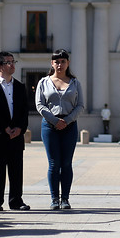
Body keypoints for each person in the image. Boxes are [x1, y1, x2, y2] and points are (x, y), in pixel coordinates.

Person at [36, 49, 83, 210]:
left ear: (68, 63)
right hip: (49, 126)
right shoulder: (44, 82)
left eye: (63, 61)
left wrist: (68, 120)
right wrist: (55, 121)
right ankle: (54, 198)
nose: (59, 64)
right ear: (52, 63)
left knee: (67, 163)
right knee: (54, 164)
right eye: (56, 61)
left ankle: (65, 199)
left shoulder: (75, 83)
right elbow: (40, 104)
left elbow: (80, 105)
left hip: (70, 126)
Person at [0, 51, 30, 211]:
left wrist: (20, 128)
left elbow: (24, 110)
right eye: (8, 62)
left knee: (16, 170)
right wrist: (5, 128)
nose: (12, 65)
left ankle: (16, 200)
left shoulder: (19, 86)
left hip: (17, 135)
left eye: (13, 61)